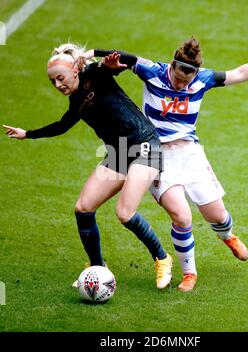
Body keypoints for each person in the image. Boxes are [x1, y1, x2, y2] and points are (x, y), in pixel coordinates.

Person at [79, 37, 248, 292]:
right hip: (155, 154)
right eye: (178, 79)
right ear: (172, 66)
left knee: (217, 215)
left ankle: (227, 235)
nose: (182, 84)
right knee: (182, 216)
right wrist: (90, 53)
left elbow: (238, 73)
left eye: (187, 81)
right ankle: (189, 273)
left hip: (190, 153)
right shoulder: (153, 71)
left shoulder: (202, 79)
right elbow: (125, 56)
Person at [2, 43, 173, 290]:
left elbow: (127, 58)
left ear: (74, 70)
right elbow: (61, 126)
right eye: (53, 82)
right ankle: (98, 268)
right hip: (120, 151)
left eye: (60, 78)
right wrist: (27, 134)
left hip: (145, 144)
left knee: (124, 213)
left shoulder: (95, 73)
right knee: (83, 208)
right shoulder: (76, 101)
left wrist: (96, 55)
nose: (58, 85)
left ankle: (162, 258)